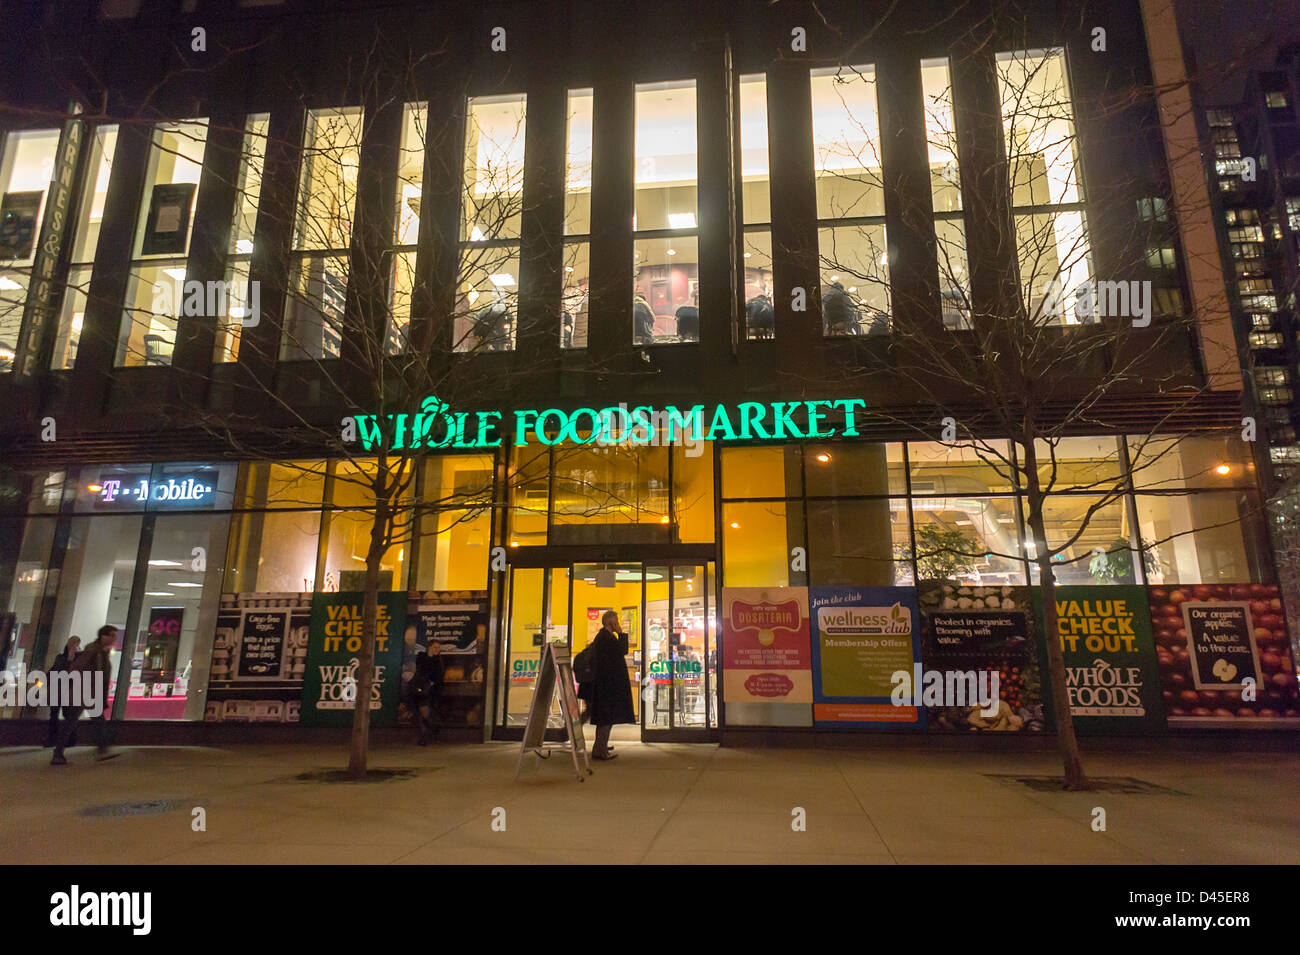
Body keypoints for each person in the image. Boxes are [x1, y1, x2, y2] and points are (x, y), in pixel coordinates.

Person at [51, 624, 117, 766]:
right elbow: (78, 667)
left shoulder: (101, 652)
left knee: (90, 721)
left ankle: (101, 749)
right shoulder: (93, 650)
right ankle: (59, 753)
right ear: (103, 636)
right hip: (82, 692)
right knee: (72, 722)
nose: (114, 638)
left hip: (89, 692)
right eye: (112, 635)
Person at [578, 611, 635, 760]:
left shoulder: (604, 637)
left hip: (604, 685)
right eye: (616, 621)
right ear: (611, 623)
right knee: (606, 718)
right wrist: (621, 633)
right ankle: (599, 749)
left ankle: (601, 746)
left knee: (605, 717)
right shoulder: (606, 638)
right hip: (606, 686)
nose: (618, 624)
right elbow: (622, 650)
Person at [44, 636, 81, 748]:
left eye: (75, 643)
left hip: (68, 691)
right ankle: (52, 739)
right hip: (57, 689)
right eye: (71, 642)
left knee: (67, 715)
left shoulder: (78, 659)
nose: (72, 645)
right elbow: (54, 670)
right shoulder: (60, 657)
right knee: (54, 714)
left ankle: (69, 739)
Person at [411, 641, 444, 746]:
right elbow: (420, 671)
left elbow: (438, 676)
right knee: (422, 711)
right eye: (435, 647)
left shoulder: (438, 661)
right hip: (422, 689)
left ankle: (428, 734)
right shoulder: (422, 657)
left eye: (438, 648)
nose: (437, 649)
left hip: (432, 691)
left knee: (427, 711)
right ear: (429, 647)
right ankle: (427, 734)